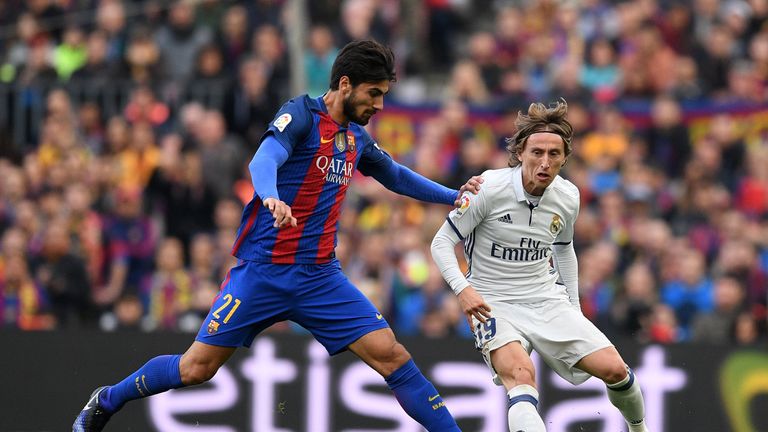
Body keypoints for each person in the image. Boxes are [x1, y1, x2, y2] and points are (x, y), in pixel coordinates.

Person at [73, 39, 480, 432]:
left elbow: (393, 175)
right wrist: (270, 197)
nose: (379, 105)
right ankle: (107, 399)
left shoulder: (356, 137)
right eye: (374, 93)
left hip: (321, 278)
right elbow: (265, 157)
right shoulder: (300, 115)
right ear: (344, 84)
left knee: (392, 357)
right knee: (196, 368)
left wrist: (452, 195)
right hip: (264, 272)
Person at [430, 100, 649, 432]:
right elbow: (441, 243)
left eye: (554, 154)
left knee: (617, 371)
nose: (544, 162)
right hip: (492, 304)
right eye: (537, 152)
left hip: (546, 299)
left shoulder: (568, 197)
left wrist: (574, 308)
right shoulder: (487, 188)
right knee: (521, 376)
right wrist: (463, 289)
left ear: (564, 158)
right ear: (520, 153)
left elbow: (564, 250)